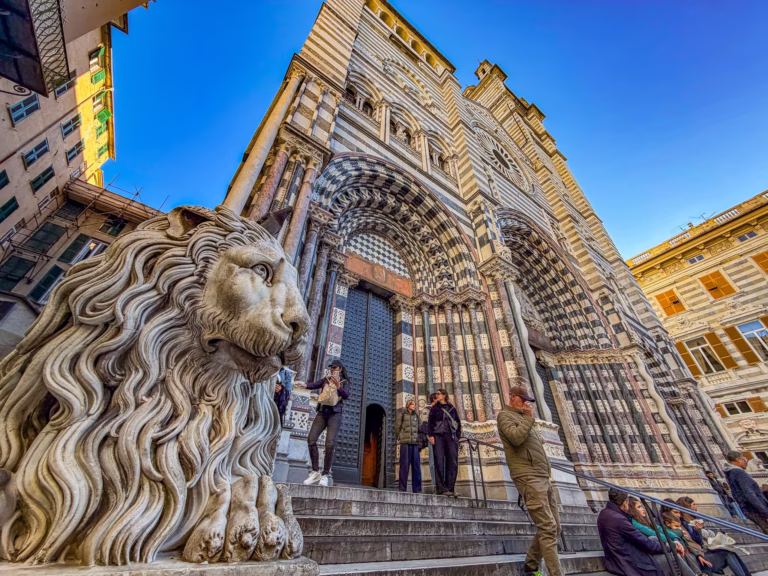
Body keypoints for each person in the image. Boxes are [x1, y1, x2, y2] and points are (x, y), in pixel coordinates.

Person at [497, 385, 562, 576]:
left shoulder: (526, 419)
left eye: (528, 401)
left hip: (542, 476)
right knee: (548, 527)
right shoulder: (505, 416)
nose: (527, 403)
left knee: (555, 527)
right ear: (513, 397)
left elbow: (535, 443)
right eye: (523, 399)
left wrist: (528, 420)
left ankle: (531, 564)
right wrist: (527, 419)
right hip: (528, 477)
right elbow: (516, 439)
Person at [674, 497, 752, 576]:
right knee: (728, 555)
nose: (696, 507)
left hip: (703, 551)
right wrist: (698, 530)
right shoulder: (683, 523)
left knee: (731, 553)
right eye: (693, 505)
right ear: (687, 507)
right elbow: (696, 541)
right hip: (699, 555)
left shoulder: (695, 519)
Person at [597, 488, 666, 576]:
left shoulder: (604, 513)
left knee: (656, 541)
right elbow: (646, 544)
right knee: (670, 557)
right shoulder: (619, 519)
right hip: (626, 563)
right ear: (625, 503)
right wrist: (670, 547)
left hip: (617, 559)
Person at [303, 359, 350, 487]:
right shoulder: (326, 379)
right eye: (331, 368)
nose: (332, 369)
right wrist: (305, 385)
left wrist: (339, 386)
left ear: (340, 369)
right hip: (322, 412)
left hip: (335, 414)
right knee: (311, 439)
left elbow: (346, 395)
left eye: (334, 367)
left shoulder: (345, 381)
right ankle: (315, 471)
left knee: (330, 444)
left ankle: (325, 474)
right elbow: (315, 384)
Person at [626, 497, 699, 576]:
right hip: (650, 556)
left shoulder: (647, 521)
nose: (643, 509)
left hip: (664, 550)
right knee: (672, 552)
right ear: (632, 510)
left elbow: (661, 530)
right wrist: (672, 543)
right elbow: (654, 533)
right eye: (639, 507)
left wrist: (675, 539)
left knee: (680, 554)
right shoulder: (634, 524)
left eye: (642, 506)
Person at [427, 388, 461, 497]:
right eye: (436, 394)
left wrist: (457, 437)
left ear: (444, 395)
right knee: (439, 461)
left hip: (450, 437)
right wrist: (431, 435)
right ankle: (441, 488)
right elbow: (430, 422)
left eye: (438, 394)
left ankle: (450, 488)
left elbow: (458, 423)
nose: (436, 395)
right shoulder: (434, 408)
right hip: (438, 436)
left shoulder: (452, 409)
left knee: (452, 461)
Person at [724, 450, 768, 533]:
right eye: (744, 459)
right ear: (738, 460)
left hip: (749, 509)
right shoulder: (739, 473)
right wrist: (765, 512)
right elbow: (749, 493)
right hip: (755, 509)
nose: (746, 462)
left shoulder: (730, 473)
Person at [395, 399, 422, 492]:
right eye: (412, 404)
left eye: (415, 404)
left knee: (416, 466)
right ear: (408, 405)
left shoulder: (416, 416)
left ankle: (417, 488)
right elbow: (397, 427)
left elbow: (420, 428)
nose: (414, 406)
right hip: (405, 443)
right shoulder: (402, 415)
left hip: (415, 443)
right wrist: (399, 438)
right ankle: (402, 488)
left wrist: (419, 440)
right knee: (404, 465)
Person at [421, 393, 438, 493]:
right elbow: (425, 425)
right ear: (434, 400)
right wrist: (430, 436)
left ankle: (443, 485)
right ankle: (435, 485)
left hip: (441, 439)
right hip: (432, 439)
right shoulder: (427, 409)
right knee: (433, 462)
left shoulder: (439, 410)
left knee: (442, 462)